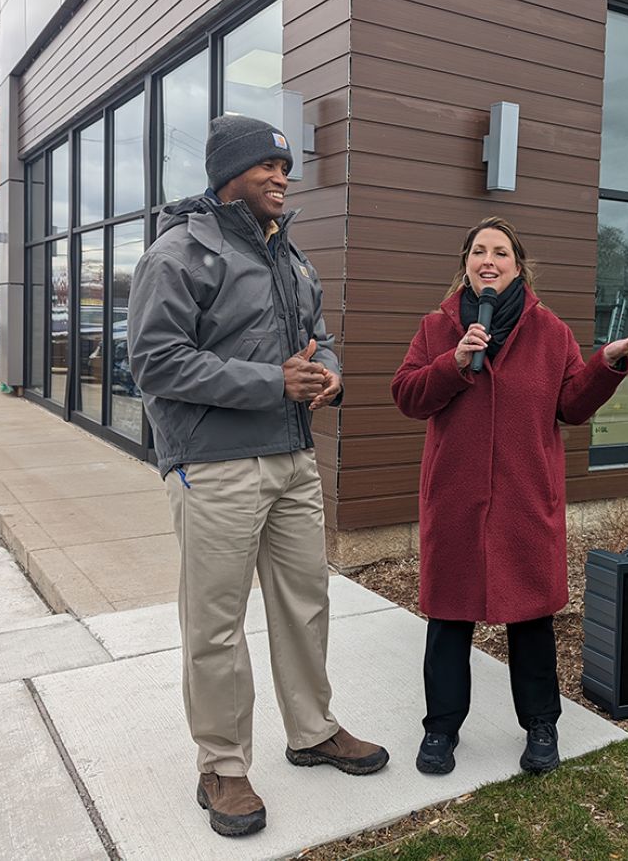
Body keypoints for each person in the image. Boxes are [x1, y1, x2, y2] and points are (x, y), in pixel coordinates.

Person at [128, 114, 388, 838]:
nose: (283, 177)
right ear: (228, 174)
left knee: (306, 603)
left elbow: (321, 341)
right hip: (213, 466)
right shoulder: (179, 252)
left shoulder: (290, 257)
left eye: (286, 167)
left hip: (292, 459)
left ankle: (312, 729)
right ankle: (222, 764)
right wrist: (271, 381)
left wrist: (327, 378)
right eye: (268, 167)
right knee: (215, 622)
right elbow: (154, 362)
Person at [391, 217, 628, 776]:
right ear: (465, 264)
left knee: (531, 621)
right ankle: (440, 730)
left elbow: (571, 405)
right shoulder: (435, 328)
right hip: (456, 501)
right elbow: (409, 396)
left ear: (519, 266)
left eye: (500, 253)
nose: (488, 261)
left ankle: (542, 727)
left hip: (523, 502)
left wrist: (606, 364)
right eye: (478, 252)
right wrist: (454, 362)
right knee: (448, 622)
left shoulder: (550, 332)